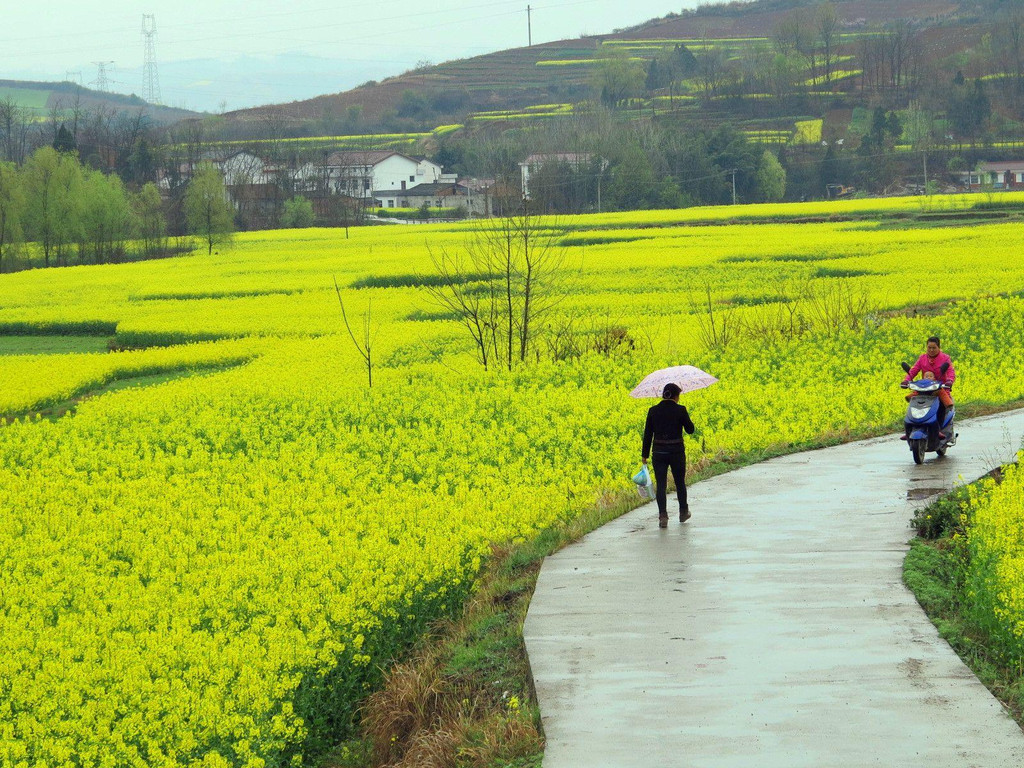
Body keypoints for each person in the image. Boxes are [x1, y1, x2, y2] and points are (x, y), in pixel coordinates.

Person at [642, 382, 696, 528]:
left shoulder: (653, 410)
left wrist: (644, 455)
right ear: (675, 396)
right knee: (680, 482)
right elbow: (690, 430)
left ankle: (663, 516)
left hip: (658, 451)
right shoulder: (680, 410)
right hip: (676, 451)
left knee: (661, 484)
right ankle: (683, 512)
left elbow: (647, 434)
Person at [902, 335, 955, 438]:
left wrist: (949, 381)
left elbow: (950, 372)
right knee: (913, 404)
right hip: (924, 389)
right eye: (929, 347)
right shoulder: (922, 358)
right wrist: (906, 380)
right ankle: (909, 430)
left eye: (934, 348)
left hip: (939, 389)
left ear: (939, 347)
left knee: (940, 407)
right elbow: (913, 370)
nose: (931, 350)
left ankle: (938, 429)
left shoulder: (945, 358)